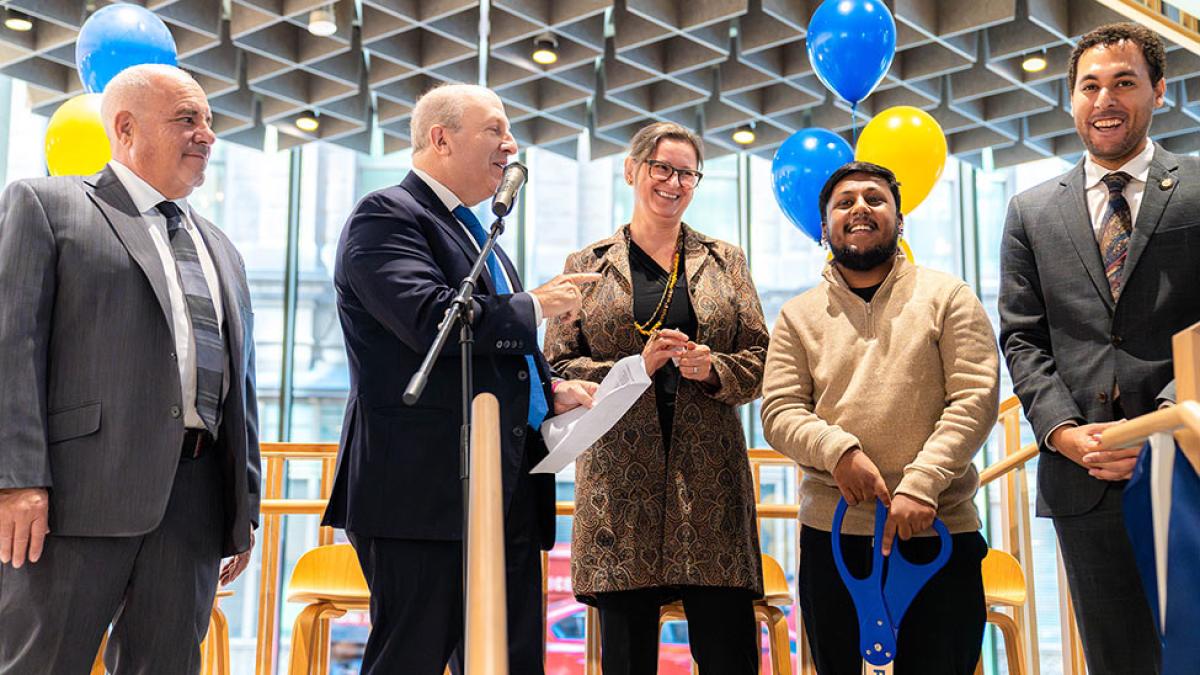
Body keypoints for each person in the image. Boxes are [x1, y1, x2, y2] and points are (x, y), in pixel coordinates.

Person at [322, 82, 600, 675]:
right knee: (413, 657)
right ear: (441, 139)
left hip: (509, 486)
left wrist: (550, 393)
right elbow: (431, 321)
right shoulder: (387, 215)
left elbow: (490, 353)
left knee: (509, 660)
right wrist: (534, 307)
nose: (510, 144)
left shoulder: (480, 234)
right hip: (425, 491)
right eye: (494, 129)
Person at [0, 64, 260, 673]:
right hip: (74, 498)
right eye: (187, 119)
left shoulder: (221, 246)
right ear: (125, 127)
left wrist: (241, 503)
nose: (206, 135)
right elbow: (12, 347)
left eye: (209, 121)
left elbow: (239, 385)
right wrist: (15, 478)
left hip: (194, 504)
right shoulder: (47, 205)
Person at [999, 22, 1200, 675]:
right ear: (1071, 99)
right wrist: (1061, 430)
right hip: (1080, 474)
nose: (1105, 99)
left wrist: (1159, 427)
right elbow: (1023, 335)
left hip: (1187, 461)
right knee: (1116, 660)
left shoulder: (1197, 187)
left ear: (1159, 91)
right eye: (1090, 86)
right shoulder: (1030, 211)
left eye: (1124, 82)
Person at [543, 121, 770, 675]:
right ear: (632, 170)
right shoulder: (586, 264)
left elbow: (762, 357)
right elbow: (556, 368)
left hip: (711, 482)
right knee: (625, 658)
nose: (673, 182)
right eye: (661, 168)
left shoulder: (725, 261)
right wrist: (633, 368)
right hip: (620, 486)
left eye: (687, 173)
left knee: (728, 653)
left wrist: (712, 367)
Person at [761, 162, 999, 675]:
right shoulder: (797, 316)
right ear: (824, 227)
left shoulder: (948, 297)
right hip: (834, 538)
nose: (860, 208)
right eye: (844, 202)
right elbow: (779, 410)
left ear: (899, 219)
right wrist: (838, 452)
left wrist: (922, 484)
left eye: (875, 198)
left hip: (938, 530)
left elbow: (975, 398)